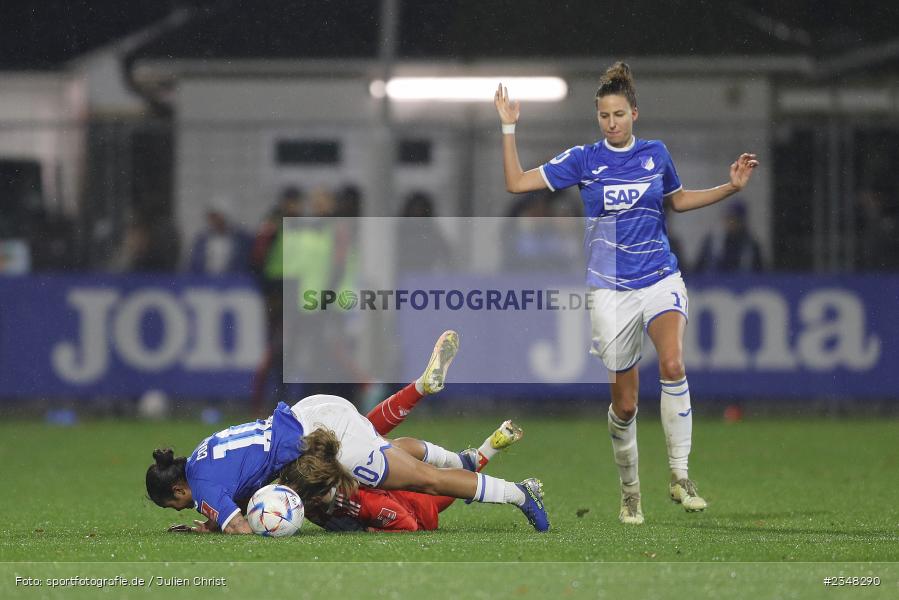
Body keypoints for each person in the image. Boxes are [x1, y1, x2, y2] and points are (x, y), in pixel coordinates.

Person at [494, 62, 759, 525]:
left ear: (634, 113)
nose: (611, 122)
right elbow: (516, 183)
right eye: (604, 116)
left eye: (619, 114)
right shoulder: (583, 159)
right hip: (610, 291)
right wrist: (509, 125)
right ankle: (630, 491)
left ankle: (680, 474)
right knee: (627, 403)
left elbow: (677, 200)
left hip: (660, 278)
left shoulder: (656, 154)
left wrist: (729, 187)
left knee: (673, 363)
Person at [147, 331, 549, 533]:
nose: (185, 508)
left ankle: (517, 493)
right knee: (376, 441)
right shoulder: (203, 453)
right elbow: (242, 485)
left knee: (428, 482)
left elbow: (239, 526)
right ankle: (427, 401)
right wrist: (211, 523)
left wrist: (218, 523)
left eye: (176, 505)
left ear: (177, 492)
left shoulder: (200, 489)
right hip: (309, 413)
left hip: (318, 436)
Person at [187, 197, 253, 275]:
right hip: (205, 283)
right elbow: (194, 265)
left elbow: (243, 264)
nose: (213, 221)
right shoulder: (202, 239)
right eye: (211, 217)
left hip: (232, 283)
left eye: (216, 217)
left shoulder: (242, 239)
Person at [694, 200, 763, 272]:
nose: (730, 223)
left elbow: (760, 274)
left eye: (735, 219)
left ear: (742, 221)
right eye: (728, 218)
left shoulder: (751, 245)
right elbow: (697, 270)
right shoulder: (711, 242)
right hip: (715, 282)